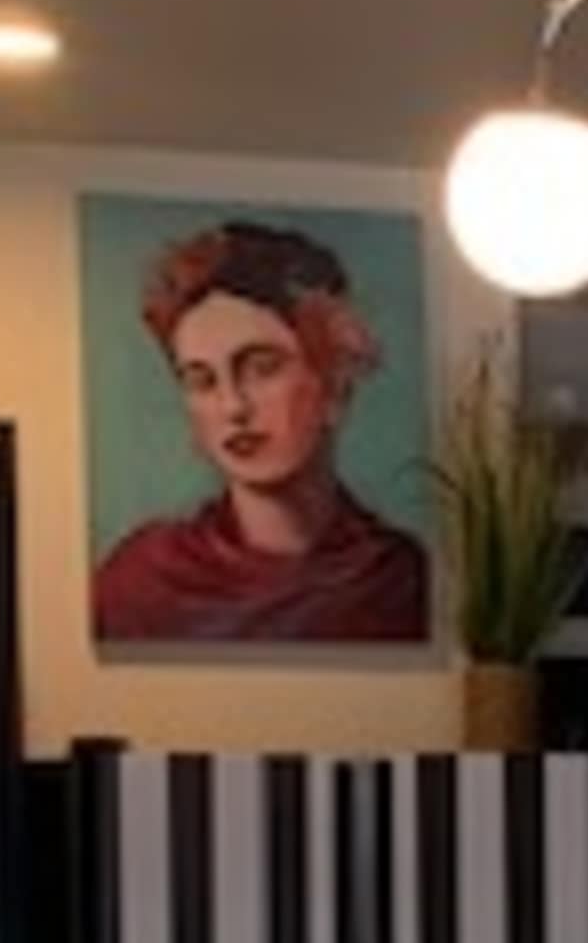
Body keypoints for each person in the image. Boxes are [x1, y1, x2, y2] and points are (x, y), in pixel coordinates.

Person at [89, 217, 432, 646]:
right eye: (202, 380)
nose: (233, 407)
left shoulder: (401, 580)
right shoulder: (137, 579)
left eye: (262, 368)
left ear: (334, 384)